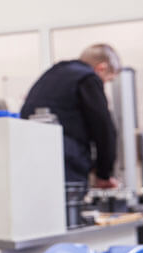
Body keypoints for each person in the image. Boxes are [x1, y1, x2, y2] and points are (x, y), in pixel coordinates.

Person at [20, 43, 121, 190]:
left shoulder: (53, 73)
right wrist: (104, 175)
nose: (104, 84)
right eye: (108, 79)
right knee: (70, 206)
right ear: (102, 68)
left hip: (31, 156)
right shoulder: (88, 78)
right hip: (67, 160)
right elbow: (104, 129)